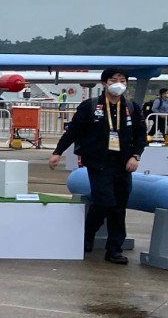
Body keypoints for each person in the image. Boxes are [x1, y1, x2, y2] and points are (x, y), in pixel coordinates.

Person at [49, 68, 145, 264]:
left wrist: (135, 156)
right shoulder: (91, 106)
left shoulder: (131, 107)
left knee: (119, 207)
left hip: (123, 163)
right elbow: (73, 131)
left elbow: (140, 135)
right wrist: (58, 152)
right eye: (114, 80)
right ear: (104, 83)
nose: (118, 83)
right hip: (99, 163)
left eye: (122, 80)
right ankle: (88, 234)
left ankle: (114, 249)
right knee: (104, 202)